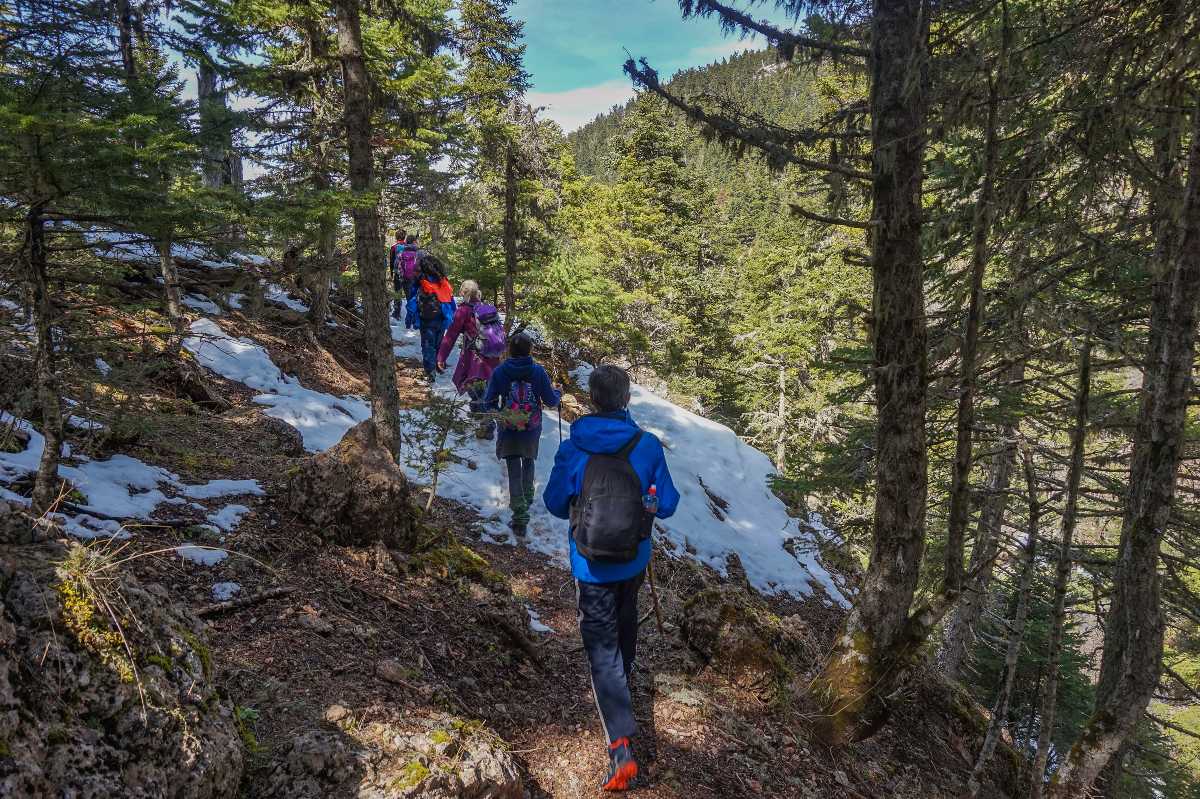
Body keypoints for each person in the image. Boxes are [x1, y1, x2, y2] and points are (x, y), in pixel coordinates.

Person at [542, 365, 678, 793]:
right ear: (625, 400)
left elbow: (555, 505)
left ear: (592, 399)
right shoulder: (647, 445)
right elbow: (669, 503)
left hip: (590, 565)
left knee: (602, 650)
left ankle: (621, 748)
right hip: (633, 559)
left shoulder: (575, 446)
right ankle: (625, 678)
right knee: (625, 623)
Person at [483, 332, 560, 537]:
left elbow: (488, 401)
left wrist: (501, 416)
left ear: (509, 350)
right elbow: (552, 401)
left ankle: (519, 516)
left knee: (513, 467)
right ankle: (527, 498)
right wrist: (559, 393)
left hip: (509, 428)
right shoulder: (538, 372)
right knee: (528, 461)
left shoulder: (500, 372)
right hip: (531, 428)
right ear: (530, 350)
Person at [437, 280, 504, 438]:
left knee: (477, 391)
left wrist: (441, 357)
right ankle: (478, 414)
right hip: (493, 359)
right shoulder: (488, 309)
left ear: (464, 293)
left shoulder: (464, 311)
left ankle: (487, 427)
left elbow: (451, 335)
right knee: (484, 390)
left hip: (475, 359)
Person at [413, 253, 455, 383]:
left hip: (427, 319)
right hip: (442, 318)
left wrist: (412, 319)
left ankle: (430, 371)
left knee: (427, 345)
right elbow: (450, 301)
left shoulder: (421, 282)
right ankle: (438, 365)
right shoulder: (444, 282)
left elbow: (413, 302)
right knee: (438, 342)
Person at [400, 234, 421, 329]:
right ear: (414, 242)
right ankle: (415, 321)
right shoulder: (419, 252)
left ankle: (408, 322)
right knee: (417, 299)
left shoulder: (401, 252)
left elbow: (397, 266)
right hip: (416, 279)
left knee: (409, 299)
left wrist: (401, 276)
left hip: (405, 279)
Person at [388, 230, 406, 320]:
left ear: (396, 237)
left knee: (397, 292)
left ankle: (397, 313)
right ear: (404, 236)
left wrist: (391, 273)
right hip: (408, 274)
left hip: (398, 273)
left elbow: (391, 262)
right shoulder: (408, 246)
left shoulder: (394, 247)